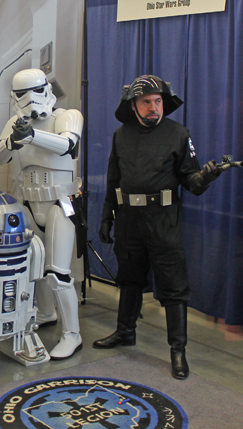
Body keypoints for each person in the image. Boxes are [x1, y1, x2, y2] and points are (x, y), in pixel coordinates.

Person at [94, 75, 224, 380]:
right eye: (147, 102)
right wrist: (106, 216)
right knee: (129, 278)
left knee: (173, 286)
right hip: (129, 219)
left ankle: (177, 351)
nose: (154, 107)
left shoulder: (178, 134)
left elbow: (191, 183)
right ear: (134, 105)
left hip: (163, 221)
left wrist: (206, 176)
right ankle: (125, 332)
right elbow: (114, 180)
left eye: (158, 101)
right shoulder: (121, 135)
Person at [0, 69, 85, 359]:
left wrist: (31, 136)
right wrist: (12, 141)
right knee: (36, 269)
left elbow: (68, 145)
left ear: (47, 89)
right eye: (22, 94)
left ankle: (73, 335)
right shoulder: (14, 122)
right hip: (30, 202)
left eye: (35, 91)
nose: (30, 100)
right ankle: (47, 313)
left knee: (58, 273)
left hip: (61, 202)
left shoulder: (67, 116)